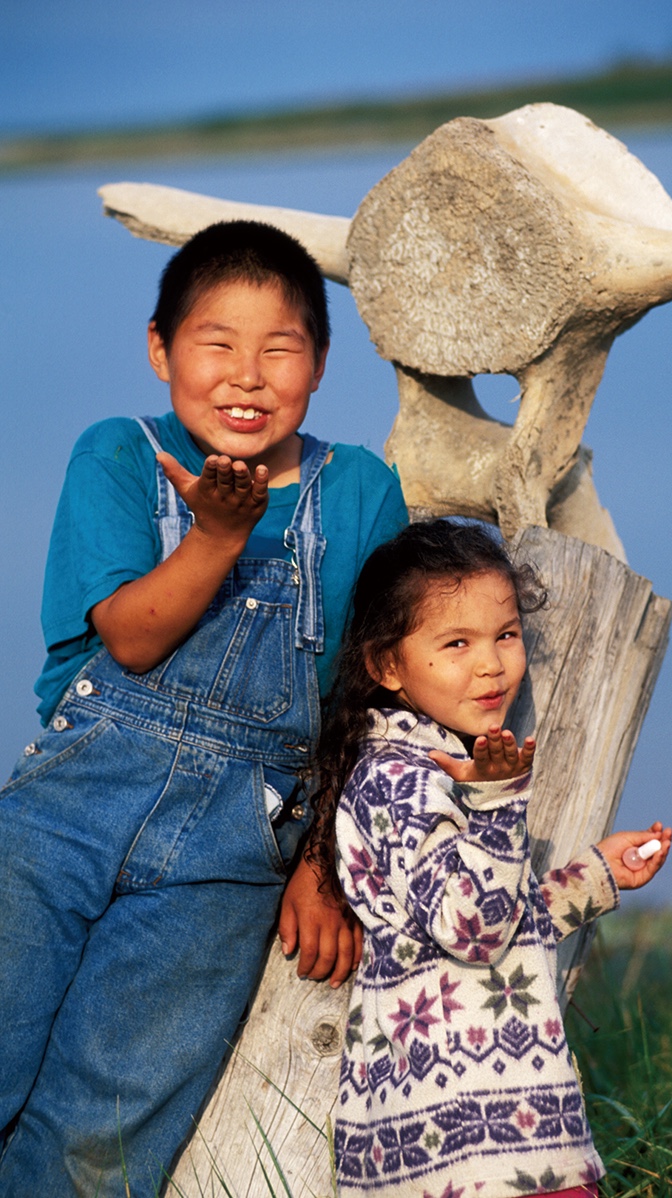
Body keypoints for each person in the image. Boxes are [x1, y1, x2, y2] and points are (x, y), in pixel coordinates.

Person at [0, 220, 407, 1197]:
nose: (247, 375)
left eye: (280, 348)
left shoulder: (356, 490)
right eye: (215, 343)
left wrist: (324, 863)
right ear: (159, 350)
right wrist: (217, 537)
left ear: (319, 362)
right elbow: (131, 638)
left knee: (102, 1134)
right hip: (63, 815)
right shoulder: (119, 455)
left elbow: (370, 697)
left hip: (233, 855)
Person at [309, 519, 672, 1198]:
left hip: (502, 1131)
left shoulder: (435, 765)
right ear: (387, 665)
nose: (491, 664)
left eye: (505, 635)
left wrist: (594, 877)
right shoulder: (398, 781)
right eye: (456, 643)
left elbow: (493, 918)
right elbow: (475, 933)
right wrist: (500, 802)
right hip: (470, 1145)